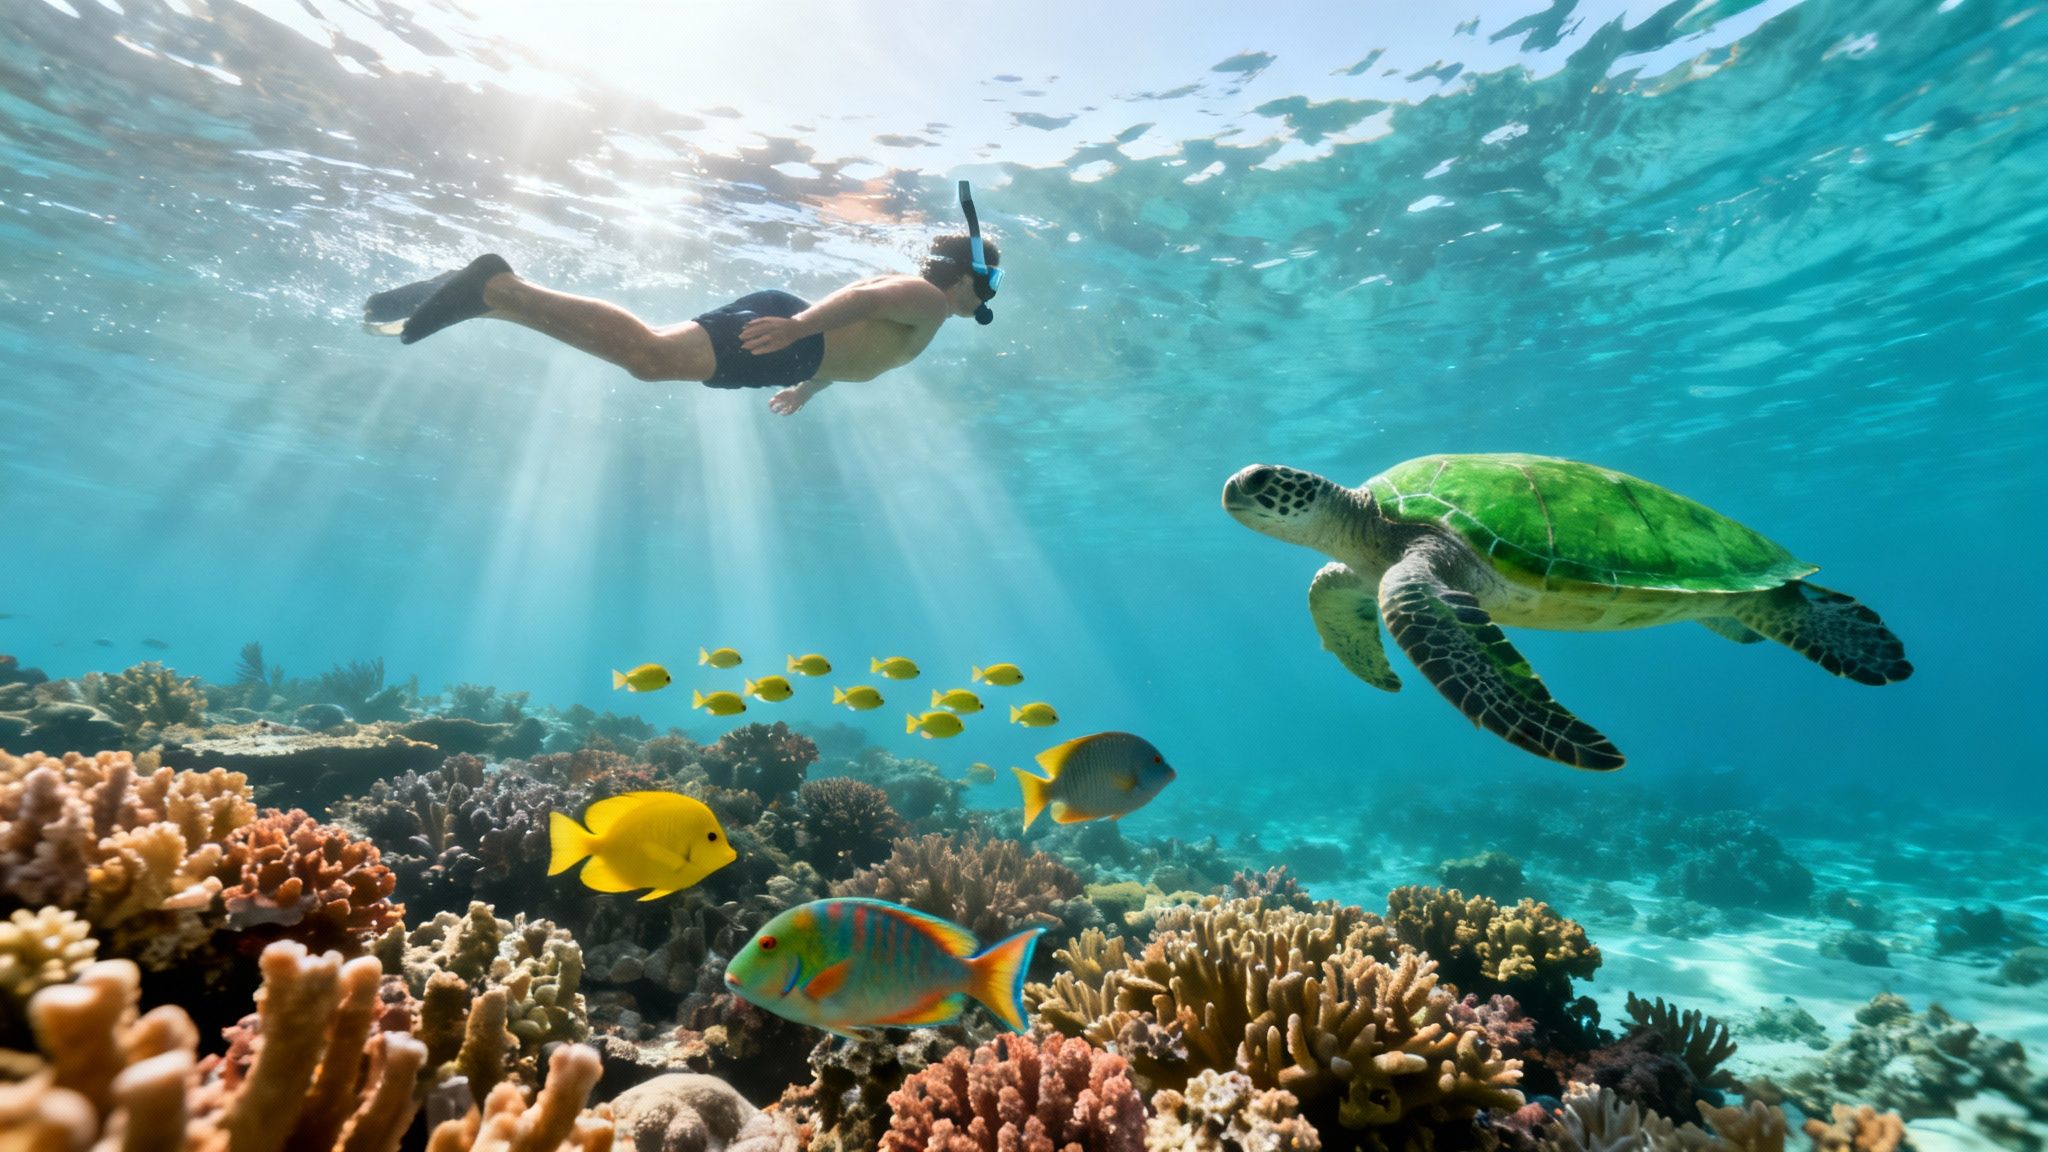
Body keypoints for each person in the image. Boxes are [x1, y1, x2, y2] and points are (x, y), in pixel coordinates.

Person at [363, 232, 1000, 416]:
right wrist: (800, 329)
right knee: (648, 357)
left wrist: (810, 383)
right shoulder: (928, 298)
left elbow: (860, 335)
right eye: (991, 282)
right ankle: (499, 287)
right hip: (792, 340)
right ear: (969, 276)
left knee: (650, 357)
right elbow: (862, 306)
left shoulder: (919, 305)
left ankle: (491, 298)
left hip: (800, 352)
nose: (989, 296)